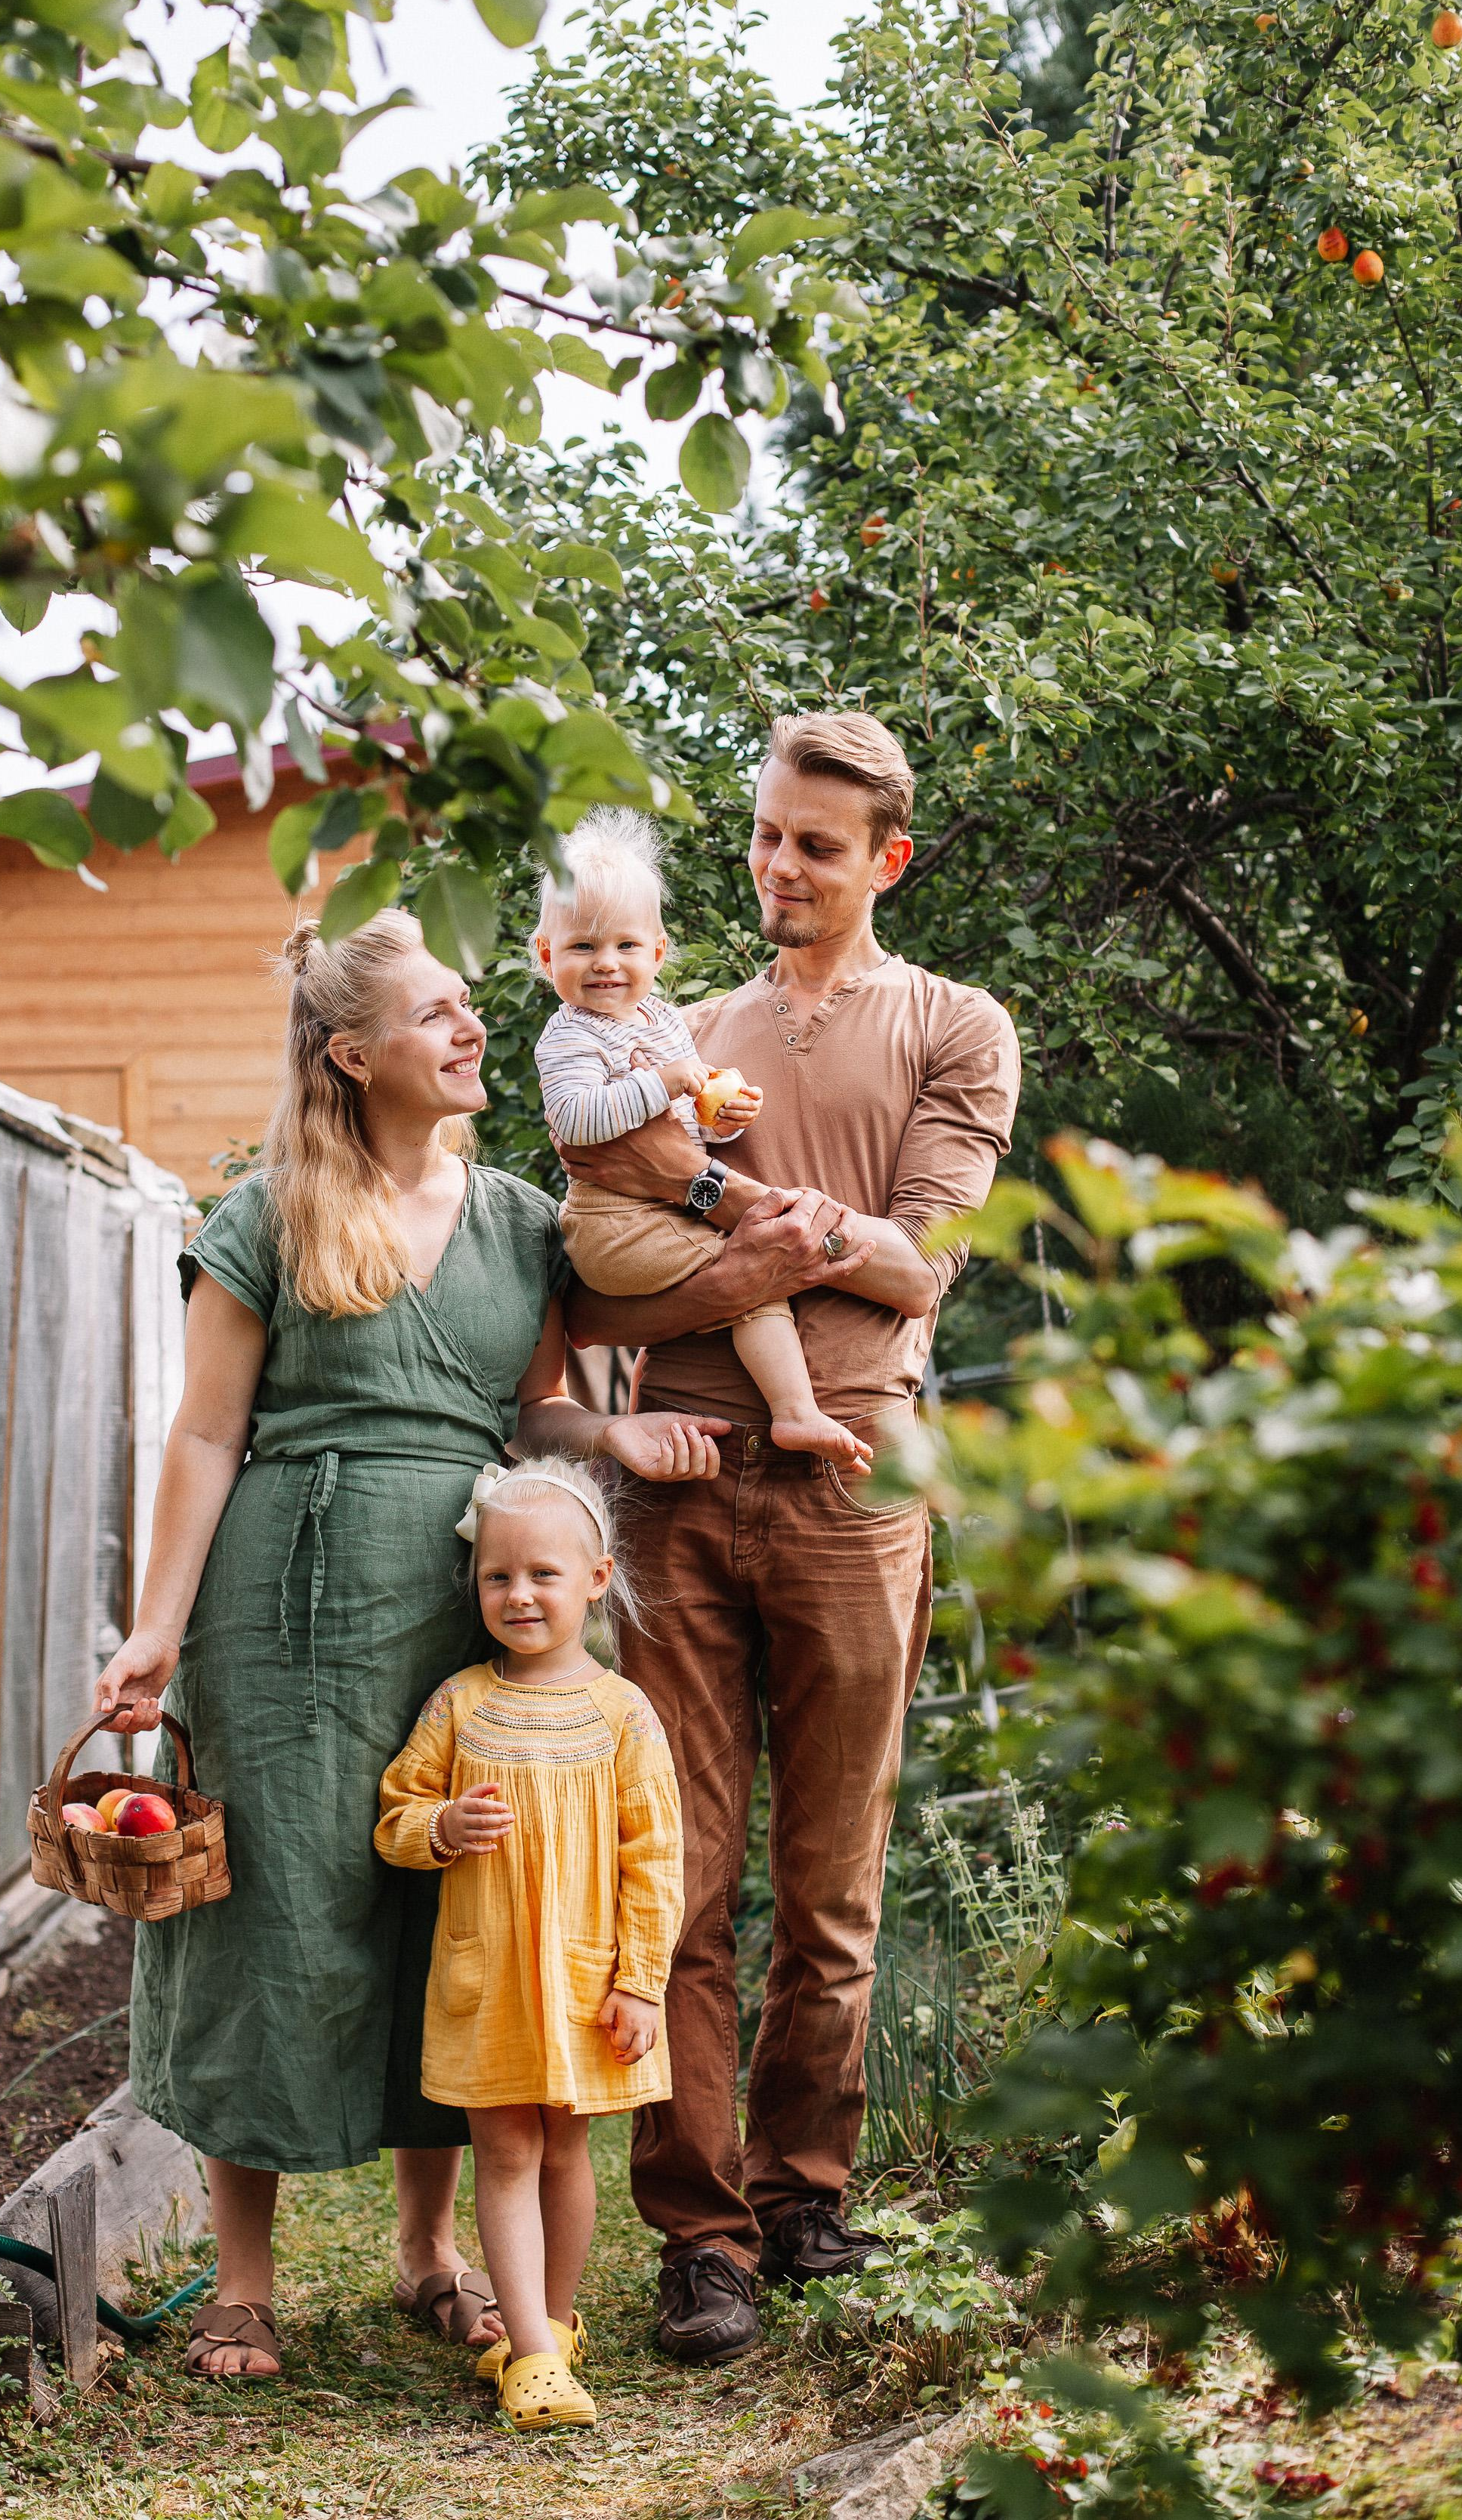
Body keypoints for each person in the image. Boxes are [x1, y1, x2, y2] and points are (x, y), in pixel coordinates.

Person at [92, 909, 726, 2379]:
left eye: (467, 1008)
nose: (470, 1029)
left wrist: (612, 1428)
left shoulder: (516, 1218)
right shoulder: (265, 1212)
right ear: (351, 1050)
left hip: (464, 1602)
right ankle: (241, 2280)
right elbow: (203, 1429)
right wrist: (156, 1623)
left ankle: (428, 2247)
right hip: (285, 1605)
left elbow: (536, 1414)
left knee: (453, 1906)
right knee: (278, 1908)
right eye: (436, 1012)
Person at [566, 712, 1022, 2364]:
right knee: (673, 1879)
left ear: (883, 859)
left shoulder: (952, 1024)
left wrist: (784, 1229)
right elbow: (606, 1271)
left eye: (812, 845)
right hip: (678, 1479)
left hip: (853, 1486)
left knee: (828, 1878)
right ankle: (700, 2236)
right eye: (763, 834)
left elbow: (919, 1270)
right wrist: (781, 1253)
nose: (774, 865)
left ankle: (801, 2189)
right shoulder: (673, 1034)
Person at [375, 1456, 682, 2433]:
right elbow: (395, 1812)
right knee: (505, 2147)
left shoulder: (622, 1714)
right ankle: (534, 2353)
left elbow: (656, 1860)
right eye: (498, 1575)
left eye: (543, 1574)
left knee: (565, 2149)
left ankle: (551, 2319)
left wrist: (641, 1981)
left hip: (588, 1981)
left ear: (595, 1579)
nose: (518, 1594)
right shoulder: (460, 1704)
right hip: (490, 1980)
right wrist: (437, 1830)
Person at [533, 810, 871, 1476]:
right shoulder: (567, 1035)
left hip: (659, 1211)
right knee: (756, 1277)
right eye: (581, 948)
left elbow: (689, 1119)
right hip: (612, 1224)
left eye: (626, 947)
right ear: (548, 956)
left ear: (657, 953)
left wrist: (725, 1118)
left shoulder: (660, 1018)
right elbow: (575, 1120)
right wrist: (666, 1082)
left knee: (749, 1270)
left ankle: (786, 1403)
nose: (605, 965)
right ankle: (795, 1411)